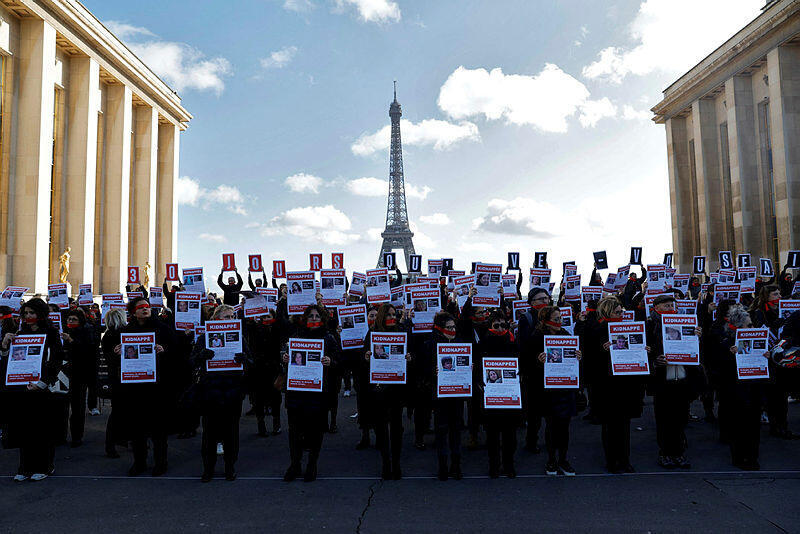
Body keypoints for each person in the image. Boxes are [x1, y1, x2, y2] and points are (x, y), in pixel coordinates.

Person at [580, 296, 647, 474]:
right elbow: (587, 356)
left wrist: (643, 350)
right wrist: (602, 350)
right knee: (610, 425)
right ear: (608, 311)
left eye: (621, 312)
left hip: (625, 383)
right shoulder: (594, 329)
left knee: (624, 425)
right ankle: (611, 461)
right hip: (606, 385)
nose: (620, 315)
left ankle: (624, 459)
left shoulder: (627, 328)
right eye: (617, 312)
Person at [1, 298, 64, 481]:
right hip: (21, 387)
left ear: (41, 314)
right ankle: (24, 467)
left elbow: (56, 361)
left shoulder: (51, 333)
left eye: (32, 313)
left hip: (42, 389)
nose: (28, 316)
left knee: (41, 428)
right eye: (26, 313)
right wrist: (5, 345)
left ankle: (44, 466)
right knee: (23, 427)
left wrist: (43, 382)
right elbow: (8, 361)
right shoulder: (19, 333)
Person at [113, 297, 176, 477]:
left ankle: (160, 463)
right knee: (136, 429)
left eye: (147, 307)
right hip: (134, 388)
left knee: (158, 429)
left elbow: (176, 351)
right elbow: (117, 358)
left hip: (157, 387)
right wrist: (117, 352)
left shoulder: (163, 328)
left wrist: (164, 350)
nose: (145, 309)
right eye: (141, 307)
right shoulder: (126, 331)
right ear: (133, 312)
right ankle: (139, 462)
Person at [192, 305, 251, 482]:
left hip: (233, 391)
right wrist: (202, 356)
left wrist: (244, 359)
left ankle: (229, 466)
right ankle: (208, 468)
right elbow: (191, 361)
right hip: (210, 391)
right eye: (226, 317)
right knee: (210, 432)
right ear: (216, 319)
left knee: (231, 432)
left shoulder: (239, 338)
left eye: (233, 317)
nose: (230, 320)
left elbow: (252, 361)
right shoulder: (204, 338)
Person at [646, 294, 704, 469]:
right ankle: (665, 453)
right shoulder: (650, 327)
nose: (671, 308)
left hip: (682, 380)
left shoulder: (686, 323)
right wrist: (655, 360)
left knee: (680, 419)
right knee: (664, 420)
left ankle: (679, 452)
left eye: (672, 305)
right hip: (663, 381)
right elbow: (644, 352)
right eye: (666, 306)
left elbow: (698, 353)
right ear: (656, 308)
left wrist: (697, 337)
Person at [282, 305, 339, 482]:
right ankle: (295, 464)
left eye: (317, 316)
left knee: (315, 431)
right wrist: (285, 358)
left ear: (322, 318)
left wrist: (331, 361)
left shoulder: (329, 338)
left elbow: (340, 361)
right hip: (297, 392)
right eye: (310, 316)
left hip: (318, 393)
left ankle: (311, 464)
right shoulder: (296, 336)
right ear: (305, 318)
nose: (314, 319)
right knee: (294, 431)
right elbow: (287, 360)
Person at [707, 304, 765, 469]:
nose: (752, 327)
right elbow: (717, 365)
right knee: (739, 426)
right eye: (749, 325)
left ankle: (753, 457)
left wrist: (765, 356)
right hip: (735, 391)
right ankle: (739, 457)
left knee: (754, 426)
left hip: (753, 389)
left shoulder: (757, 339)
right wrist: (729, 356)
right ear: (739, 326)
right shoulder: (726, 341)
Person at [361, 304, 410, 480]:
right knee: (381, 429)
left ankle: (396, 464)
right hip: (379, 389)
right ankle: (385, 463)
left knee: (397, 428)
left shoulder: (402, 332)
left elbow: (409, 355)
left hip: (396, 388)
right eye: (388, 314)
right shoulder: (372, 334)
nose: (392, 317)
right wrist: (366, 357)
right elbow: (363, 360)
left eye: (394, 314)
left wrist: (409, 358)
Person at [532, 306, 581, 476]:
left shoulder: (566, 336)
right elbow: (527, 363)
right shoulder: (537, 337)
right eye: (556, 318)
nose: (560, 321)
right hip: (548, 390)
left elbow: (572, 362)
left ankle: (563, 459)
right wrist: (538, 361)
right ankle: (551, 460)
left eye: (561, 318)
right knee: (551, 426)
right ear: (546, 320)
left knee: (565, 426)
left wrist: (578, 357)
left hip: (565, 388)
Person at [478, 311, 520, 478]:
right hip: (492, 394)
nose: (501, 328)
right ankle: (494, 465)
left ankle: (509, 464)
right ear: (490, 326)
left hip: (510, 393)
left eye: (504, 325)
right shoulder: (484, 342)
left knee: (510, 434)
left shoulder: (513, 341)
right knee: (493, 434)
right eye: (497, 325)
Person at [517, 287, 551, 452]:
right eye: (540, 299)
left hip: (553, 369)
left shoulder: (553, 314)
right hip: (534, 371)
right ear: (531, 302)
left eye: (546, 298)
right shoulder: (527, 318)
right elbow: (524, 345)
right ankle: (532, 441)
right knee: (535, 412)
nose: (545, 301)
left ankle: (551, 440)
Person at [61, 308, 95, 448]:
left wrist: (71, 340)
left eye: (74, 319)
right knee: (62, 407)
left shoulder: (86, 331)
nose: (70, 322)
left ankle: (77, 436)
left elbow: (87, 351)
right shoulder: (62, 331)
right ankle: (61, 435)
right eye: (69, 319)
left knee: (77, 407)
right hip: (63, 373)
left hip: (79, 374)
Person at [101, 308, 126, 458]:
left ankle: (114, 443)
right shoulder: (122, 334)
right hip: (123, 376)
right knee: (121, 412)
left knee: (117, 411)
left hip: (115, 376)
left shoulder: (107, 335)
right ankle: (115, 443)